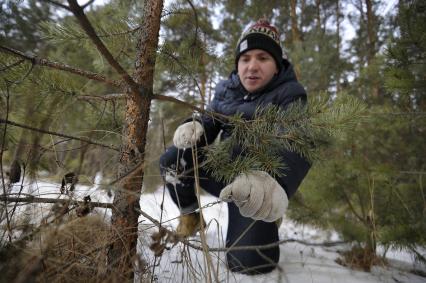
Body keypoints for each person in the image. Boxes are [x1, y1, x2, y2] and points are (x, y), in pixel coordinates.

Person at [159, 19, 311, 275]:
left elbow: (296, 142)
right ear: (237, 63)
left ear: (276, 66)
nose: (252, 66)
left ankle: (267, 215)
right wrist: (194, 123)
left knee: (249, 263)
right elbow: (208, 122)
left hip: (257, 184)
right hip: (223, 170)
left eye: (262, 57)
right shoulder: (226, 90)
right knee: (173, 161)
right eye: (245, 58)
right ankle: (191, 217)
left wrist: (276, 184)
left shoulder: (291, 93)